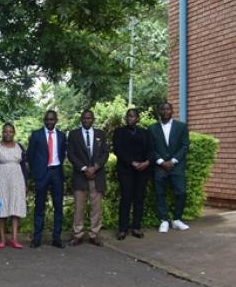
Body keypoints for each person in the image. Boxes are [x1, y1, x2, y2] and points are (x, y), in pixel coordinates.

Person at [67, 110, 109, 246]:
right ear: (81, 119)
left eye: (89, 118)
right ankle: (77, 234)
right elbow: (71, 154)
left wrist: (95, 167)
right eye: (84, 118)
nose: (86, 120)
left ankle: (94, 234)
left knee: (96, 207)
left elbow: (105, 153)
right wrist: (85, 168)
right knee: (79, 207)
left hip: (97, 176)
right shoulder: (74, 134)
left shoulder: (100, 134)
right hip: (80, 176)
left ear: (93, 119)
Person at [27, 110, 67, 248]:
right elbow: (30, 155)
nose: (50, 122)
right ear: (44, 120)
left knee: (58, 207)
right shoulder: (36, 135)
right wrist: (35, 172)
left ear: (56, 120)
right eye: (47, 119)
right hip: (41, 174)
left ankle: (56, 238)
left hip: (56, 172)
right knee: (39, 207)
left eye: (52, 119)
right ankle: (37, 238)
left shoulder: (62, 136)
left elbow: (62, 154)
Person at [149, 102, 190, 233]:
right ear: (159, 111)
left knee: (181, 192)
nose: (165, 111)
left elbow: (185, 146)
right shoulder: (152, 128)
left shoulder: (181, 127)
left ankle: (177, 219)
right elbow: (150, 148)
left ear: (172, 110)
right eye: (162, 109)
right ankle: (164, 220)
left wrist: (173, 161)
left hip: (176, 166)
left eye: (168, 109)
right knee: (160, 194)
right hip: (160, 167)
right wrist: (161, 161)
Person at [112, 109, 153, 240]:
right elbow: (117, 149)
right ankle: (123, 229)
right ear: (126, 118)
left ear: (138, 118)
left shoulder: (145, 133)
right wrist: (132, 163)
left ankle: (136, 227)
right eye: (129, 116)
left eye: (133, 116)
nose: (131, 118)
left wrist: (146, 162)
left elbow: (152, 149)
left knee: (139, 199)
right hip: (126, 170)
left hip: (142, 171)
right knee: (126, 199)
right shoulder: (119, 132)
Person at [0, 123, 28, 249]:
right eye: (5, 131)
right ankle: (2, 239)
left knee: (15, 207)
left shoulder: (20, 147)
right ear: (2, 132)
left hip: (17, 179)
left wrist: (26, 183)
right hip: (0, 178)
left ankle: (14, 238)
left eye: (10, 132)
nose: (8, 134)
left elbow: (24, 166)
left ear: (14, 133)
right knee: (0, 207)